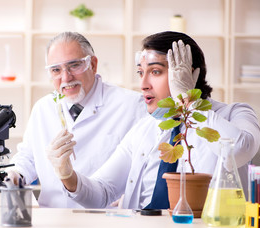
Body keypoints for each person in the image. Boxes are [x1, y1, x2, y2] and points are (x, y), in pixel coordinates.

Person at [49, 31, 260, 209]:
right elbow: (102, 192)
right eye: (141, 72)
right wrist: (68, 176)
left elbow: (238, 152)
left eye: (156, 71)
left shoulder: (236, 114)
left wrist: (188, 99)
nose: (143, 84)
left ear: (191, 75)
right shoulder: (143, 130)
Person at [8, 31, 147, 208]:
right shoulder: (43, 108)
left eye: (74, 65)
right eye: (56, 70)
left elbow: (146, 168)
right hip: (52, 218)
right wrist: (16, 174)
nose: (66, 78)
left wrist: (129, 197)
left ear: (93, 64)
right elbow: (28, 158)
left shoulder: (132, 106)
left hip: (106, 220)